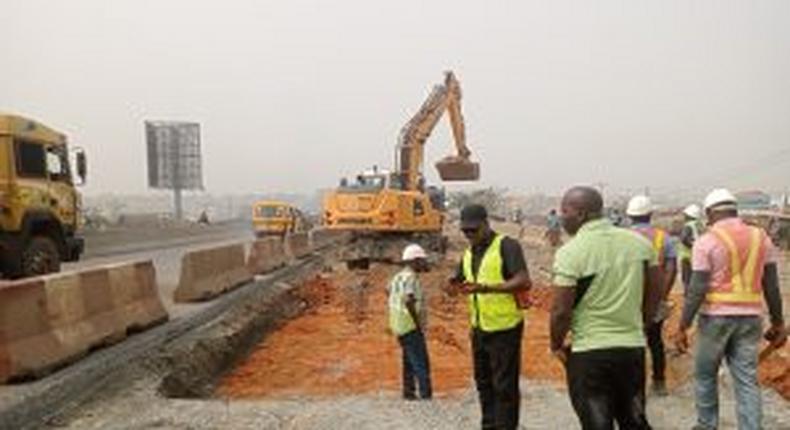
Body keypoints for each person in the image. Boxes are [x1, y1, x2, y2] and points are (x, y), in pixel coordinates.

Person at [550, 186, 662, 430]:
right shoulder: (640, 245)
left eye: (565, 211)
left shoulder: (570, 253)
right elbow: (656, 291)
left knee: (597, 423)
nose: (561, 217)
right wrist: (643, 323)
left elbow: (561, 311)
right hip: (631, 349)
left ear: (580, 214)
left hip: (590, 354)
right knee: (634, 420)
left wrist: (556, 344)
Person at [675, 188, 787, 430]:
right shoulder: (761, 238)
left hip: (715, 319)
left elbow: (697, 289)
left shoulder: (706, 241)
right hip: (750, 320)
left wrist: (683, 325)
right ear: (734, 209)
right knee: (747, 380)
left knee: (706, 375)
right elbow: (771, 285)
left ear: (709, 213)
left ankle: (707, 425)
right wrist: (778, 321)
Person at [450, 204, 532, 430]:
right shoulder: (468, 253)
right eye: (465, 231)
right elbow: (458, 279)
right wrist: (454, 284)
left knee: (504, 386)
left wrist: (486, 288)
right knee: (483, 384)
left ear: (486, 224)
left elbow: (524, 280)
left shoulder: (507, 246)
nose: (469, 235)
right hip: (479, 329)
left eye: (473, 230)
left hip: (505, 330)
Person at [625, 195, 678, 396]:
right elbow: (671, 270)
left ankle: (633, 385)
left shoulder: (622, 236)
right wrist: (662, 296)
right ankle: (659, 382)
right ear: (650, 214)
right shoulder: (663, 238)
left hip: (629, 298)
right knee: (655, 340)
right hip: (655, 298)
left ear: (629, 215)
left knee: (631, 341)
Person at [388, 243, 432, 400]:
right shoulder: (411, 278)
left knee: (408, 360)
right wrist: (417, 322)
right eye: (422, 260)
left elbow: (389, 292)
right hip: (410, 325)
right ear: (414, 261)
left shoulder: (397, 277)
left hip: (398, 325)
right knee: (421, 361)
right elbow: (408, 300)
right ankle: (426, 394)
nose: (424, 263)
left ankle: (409, 392)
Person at [678, 204, 704, 291]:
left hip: (687, 256)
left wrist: (692, 246)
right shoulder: (700, 225)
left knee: (687, 279)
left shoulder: (688, 225)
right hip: (699, 257)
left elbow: (684, 238)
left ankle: (688, 297)